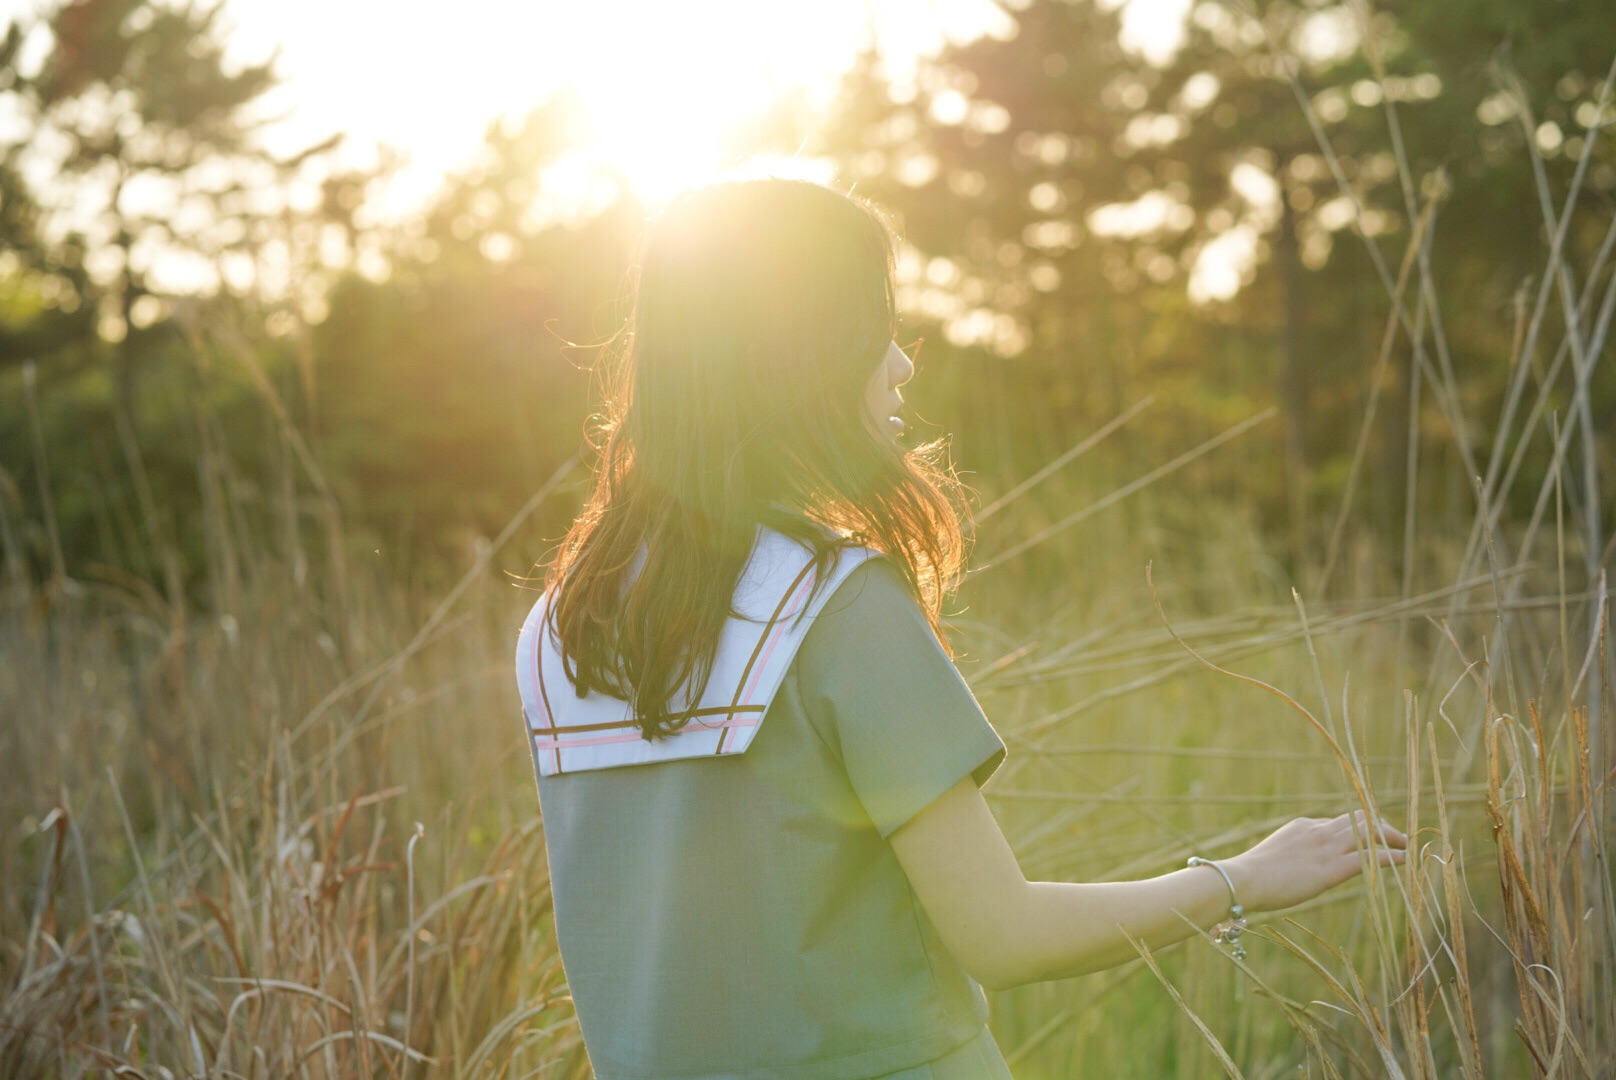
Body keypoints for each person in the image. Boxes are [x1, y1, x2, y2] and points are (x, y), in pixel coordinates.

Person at [514, 178, 1408, 1080]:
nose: (901, 364)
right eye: (876, 328)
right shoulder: (836, 602)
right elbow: (1003, 934)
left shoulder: (560, 629)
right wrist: (1243, 878)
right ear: (796, 350)